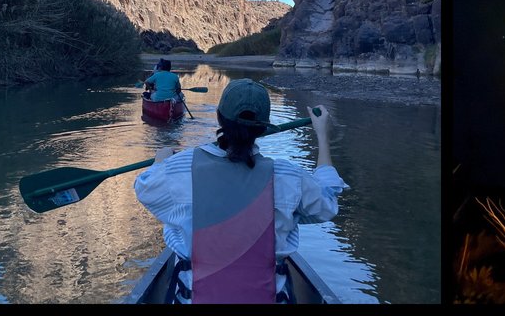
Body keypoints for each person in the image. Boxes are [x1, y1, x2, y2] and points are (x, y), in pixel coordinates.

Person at [134, 78, 347, 303]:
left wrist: (161, 159)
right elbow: (328, 202)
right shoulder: (288, 176)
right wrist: (322, 135)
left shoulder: (180, 167)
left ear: (218, 117)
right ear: (264, 128)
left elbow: (144, 187)